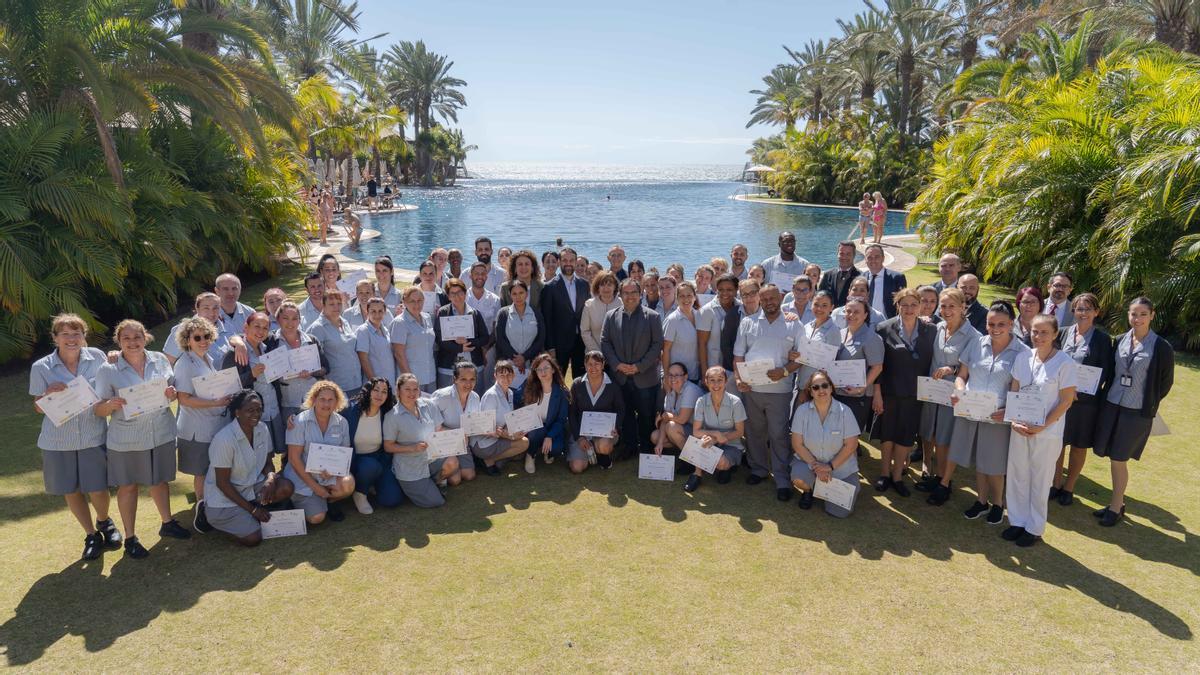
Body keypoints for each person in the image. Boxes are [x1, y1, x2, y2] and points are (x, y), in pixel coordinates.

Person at [928, 302, 1029, 528]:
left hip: (998, 416)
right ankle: (981, 501)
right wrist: (959, 391)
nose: (995, 328)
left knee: (993, 464)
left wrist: (1009, 411)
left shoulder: (1022, 352)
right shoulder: (977, 343)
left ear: (1011, 324)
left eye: (1001, 324)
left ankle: (997, 504)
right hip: (970, 410)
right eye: (991, 324)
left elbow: (1020, 388)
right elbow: (962, 375)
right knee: (979, 461)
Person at [30, 314, 121, 560]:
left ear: (84, 335)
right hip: (58, 441)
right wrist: (47, 393)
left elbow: (108, 386)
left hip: (93, 434)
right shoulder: (41, 367)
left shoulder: (98, 357)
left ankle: (105, 522)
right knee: (71, 490)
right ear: (55, 337)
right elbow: (38, 407)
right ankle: (91, 534)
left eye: (76, 333)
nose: (71, 339)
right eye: (65, 334)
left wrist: (115, 358)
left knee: (98, 488)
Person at [93, 320, 184, 558]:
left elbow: (171, 389)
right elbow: (98, 408)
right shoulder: (108, 369)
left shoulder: (160, 360)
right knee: (129, 486)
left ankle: (167, 523)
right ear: (119, 341)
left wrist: (171, 394)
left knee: (160, 480)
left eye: (137, 337)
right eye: (127, 338)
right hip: (127, 439)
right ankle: (131, 538)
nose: (133, 342)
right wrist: (109, 405)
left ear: (146, 337)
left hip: (161, 432)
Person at [1092, 297, 1174, 527]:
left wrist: (1149, 402)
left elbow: (1165, 382)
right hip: (1112, 405)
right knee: (1111, 456)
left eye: (1142, 314)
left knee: (1119, 458)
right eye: (1133, 314)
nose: (1137, 319)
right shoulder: (1118, 341)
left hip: (1136, 412)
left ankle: (1116, 507)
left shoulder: (1161, 347)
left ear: (1152, 315)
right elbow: (1110, 372)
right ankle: (1116, 502)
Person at [1003, 314, 1078, 547]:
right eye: (1035, 331)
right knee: (1017, 474)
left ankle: (1034, 527)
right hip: (1020, 428)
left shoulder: (1065, 362)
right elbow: (1014, 391)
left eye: (1045, 332)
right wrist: (1013, 420)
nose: (1039, 336)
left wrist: (1042, 425)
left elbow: (1066, 401)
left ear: (1055, 334)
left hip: (1047, 433)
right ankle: (1017, 521)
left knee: (1040, 479)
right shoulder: (1023, 357)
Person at [733, 284, 802, 500]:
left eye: (773, 298)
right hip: (752, 388)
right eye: (765, 299)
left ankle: (782, 478)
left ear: (780, 298)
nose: (769, 302)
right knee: (754, 431)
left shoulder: (794, 324)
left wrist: (783, 371)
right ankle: (759, 469)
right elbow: (738, 356)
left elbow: (800, 358)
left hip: (780, 391)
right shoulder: (748, 322)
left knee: (778, 434)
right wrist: (737, 378)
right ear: (759, 300)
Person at [203, 391, 294, 546]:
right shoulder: (224, 440)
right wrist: (253, 511)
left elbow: (267, 462)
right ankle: (216, 520)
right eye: (250, 410)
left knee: (286, 487)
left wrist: (271, 479)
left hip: (251, 488)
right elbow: (222, 484)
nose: (256, 414)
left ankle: (249, 514)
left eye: (259, 409)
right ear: (237, 412)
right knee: (254, 538)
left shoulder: (262, 429)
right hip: (224, 499)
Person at [1051, 293, 1114, 506]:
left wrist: (1081, 392)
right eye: (1079, 309)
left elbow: (1106, 372)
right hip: (1060, 399)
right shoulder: (1062, 333)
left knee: (1078, 446)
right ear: (1073, 311)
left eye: (1088, 309)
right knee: (1058, 443)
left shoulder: (1103, 339)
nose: (1083, 313)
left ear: (1096, 312)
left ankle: (1069, 488)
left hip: (1085, 404)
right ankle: (1055, 483)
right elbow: (1053, 362)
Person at [172, 316, 234, 532]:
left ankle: (213, 506)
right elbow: (184, 398)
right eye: (197, 337)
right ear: (187, 340)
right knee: (202, 471)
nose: (203, 340)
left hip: (214, 424)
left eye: (206, 336)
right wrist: (215, 402)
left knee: (213, 468)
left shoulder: (207, 358)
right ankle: (202, 508)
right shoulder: (185, 363)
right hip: (197, 429)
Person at [873, 288, 936, 495]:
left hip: (915, 395)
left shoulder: (931, 330)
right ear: (897, 306)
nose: (909, 309)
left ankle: (898, 476)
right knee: (888, 435)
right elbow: (877, 364)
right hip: (889, 393)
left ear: (920, 307)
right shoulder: (883, 328)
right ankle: (884, 474)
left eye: (913, 304)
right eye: (904, 304)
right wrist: (877, 393)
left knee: (905, 437)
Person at [917, 288, 980, 492]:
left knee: (944, 438)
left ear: (963, 307)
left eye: (951, 306)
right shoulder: (938, 328)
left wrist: (951, 369)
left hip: (952, 394)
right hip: (931, 391)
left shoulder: (973, 336)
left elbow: (971, 368)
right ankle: (928, 470)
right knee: (928, 432)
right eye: (943, 306)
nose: (946, 310)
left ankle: (943, 480)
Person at [601, 278, 664, 457]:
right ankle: (629, 447)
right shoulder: (611, 316)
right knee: (625, 413)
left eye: (634, 292)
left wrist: (639, 366)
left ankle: (645, 447)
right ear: (620, 295)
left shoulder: (652, 316)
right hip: (620, 376)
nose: (630, 296)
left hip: (645, 377)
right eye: (626, 293)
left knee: (646, 415)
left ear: (641, 294)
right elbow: (605, 342)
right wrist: (616, 364)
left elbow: (657, 344)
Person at [282, 380, 356, 524]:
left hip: (327, 475)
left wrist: (335, 471)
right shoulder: (299, 422)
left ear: (337, 402)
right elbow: (294, 459)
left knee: (348, 485)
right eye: (322, 399)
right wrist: (316, 487)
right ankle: (304, 501)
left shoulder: (342, 423)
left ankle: (330, 502)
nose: (326, 404)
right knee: (317, 518)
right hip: (302, 475)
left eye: (330, 400)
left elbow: (344, 455)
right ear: (314, 399)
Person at [790, 370, 862, 516]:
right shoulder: (801, 411)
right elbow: (797, 444)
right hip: (810, 464)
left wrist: (829, 466)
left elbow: (851, 445)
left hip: (840, 468)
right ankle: (808, 490)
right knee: (798, 478)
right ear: (810, 392)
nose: (821, 390)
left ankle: (823, 486)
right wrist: (817, 467)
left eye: (824, 385)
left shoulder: (845, 412)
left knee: (839, 513)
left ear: (831, 388)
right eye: (815, 387)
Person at [383, 374, 459, 507]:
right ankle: (421, 487)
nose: (412, 393)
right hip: (410, 468)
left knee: (453, 462)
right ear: (398, 390)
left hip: (431, 459)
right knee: (437, 502)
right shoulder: (392, 417)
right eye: (407, 389)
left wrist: (458, 436)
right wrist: (412, 448)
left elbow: (439, 430)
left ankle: (434, 482)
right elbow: (388, 446)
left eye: (415, 389)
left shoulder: (429, 405)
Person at [685, 366, 747, 492]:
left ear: (725, 381)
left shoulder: (736, 402)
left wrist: (717, 439)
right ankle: (697, 475)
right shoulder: (701, 401)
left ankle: (726, 468)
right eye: (712, 380)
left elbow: (740, 432)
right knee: (700, 442)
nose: (716, 384)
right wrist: (715, 435)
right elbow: (696, 431)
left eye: (720, 379)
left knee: (721, 463)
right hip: (709, 443)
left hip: (732, 446)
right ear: (706, 382)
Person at [344, 378, 400, 514]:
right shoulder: (350, 410)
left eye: (384, 391)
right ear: (368, 391)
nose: (379, 395)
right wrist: (295, 417)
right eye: (376, 390)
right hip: (355, 459)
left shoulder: (388, 413)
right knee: (370, 466)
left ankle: (370, 483)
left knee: (392, 499)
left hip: (379, 459)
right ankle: (360, 493)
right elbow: (322, 411)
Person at [833, 298, 885, 445]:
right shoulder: (841, 333)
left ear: (865, 315)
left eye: (857, 312)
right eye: (848, 311)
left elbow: (877, 367)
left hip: (857, 396)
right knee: (836, 435)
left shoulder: (871, 337)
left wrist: (861, 387)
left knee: (849, 438)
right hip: (837, 393)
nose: (851, 314)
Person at [567, 351, 625, 472]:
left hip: (605, 433)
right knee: (577, 468)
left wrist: (616, 428)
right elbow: (572, 413)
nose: (593, 367)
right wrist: (579, 437)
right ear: (585, 365)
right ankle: (591, 452)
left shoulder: (613, 385)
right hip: (582, 434)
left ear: (603, 365)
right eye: (590, 364)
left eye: (597, 364)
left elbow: (620, 409)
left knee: (604, 445)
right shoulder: (577, 384)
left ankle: (601, 454)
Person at [475, 360, 533, 474]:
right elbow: (486, 426)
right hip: (484, 441)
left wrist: (517, 430)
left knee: (520, 449)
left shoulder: (510, 393)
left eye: (509, 375)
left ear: (514, 375)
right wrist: (510, 436)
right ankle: (488, 460)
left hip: (498, 435)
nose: (506, 378)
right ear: (495, 376)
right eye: (502, 375)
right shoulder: (491, 395)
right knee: (524, 443)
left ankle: (494, 460)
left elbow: (507, 418)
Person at [431, 363, 484, 485]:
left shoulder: (475, 397)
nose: (468, 384)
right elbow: (429, 424)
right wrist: (455, 434)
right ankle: (434, 478)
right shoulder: (442, 396)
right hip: (442, 442)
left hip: (462, 444)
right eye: (463, 379)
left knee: (469, 475)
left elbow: (473, 423)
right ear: (455, 379)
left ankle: (454, 467)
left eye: (472, 379)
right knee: (455, 480)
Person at [518, 353, 571, 473]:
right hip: (534, 428)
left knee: (557, 448)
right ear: (535, 372)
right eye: (539, 369)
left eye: (546, 368)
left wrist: (550, 436)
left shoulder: (562, 392)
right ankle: (531, 455)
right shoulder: (529, 386)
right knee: (537, 431)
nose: (543, 371)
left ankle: (545, 450)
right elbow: (515, 398)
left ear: (553, 370)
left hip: (552, 427)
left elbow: (561, 419)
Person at [433, 278, 491, 388]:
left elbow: (485, 338)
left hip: (473, 365)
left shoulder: (474, 313)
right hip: (448, 366)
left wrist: (468, 342)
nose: (457, 296)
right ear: (448, 296)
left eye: (460, 292)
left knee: (474, 400)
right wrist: (459, 348)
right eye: (453, 293)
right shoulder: (443, 312)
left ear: (465, 293)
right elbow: (439, 339)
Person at [542, 247, 590, 378]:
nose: (568, 263)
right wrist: (550, 347)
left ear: (575, 262)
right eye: (564, 260)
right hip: (559, 343)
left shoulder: (584, 285)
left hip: (581, 341)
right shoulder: (549, 287)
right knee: (558, 380)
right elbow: (547, 319)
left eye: (571, 260)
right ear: (559, 262)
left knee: (580, 380)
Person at [792, 290, 841, 407]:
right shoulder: (807, 326)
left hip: (816, 390)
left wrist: (807, 390)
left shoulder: (833, 331)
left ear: (832, 308)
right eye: (816, 304)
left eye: (824, 305)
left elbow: (827, 366)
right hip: (799, 384)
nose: (819, 308)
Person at [308, 289, 362, 394]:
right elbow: (314, 361)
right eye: (331, 304)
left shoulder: (344, 321)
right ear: (323, 305)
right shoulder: (317, 328)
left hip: (356, 381)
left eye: (339, 303)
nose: (336, 307)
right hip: (336, 386)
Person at [163, 292, 233, 366]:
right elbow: (169, 362)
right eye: (206, 308)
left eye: (215, 308)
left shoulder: (227, 325)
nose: (212, 312)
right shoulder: (181, 330)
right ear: (197, 309)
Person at [495, 279, 545, 384]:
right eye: (514, 293)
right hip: (508, 365)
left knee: (530, 396)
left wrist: (524, 357)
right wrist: (517, 359)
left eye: (521, 293)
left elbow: (540, 339)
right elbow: (500, 339)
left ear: (526, 294)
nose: (518, 297)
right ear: (510, 295)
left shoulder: (536, 313)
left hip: (532, 364)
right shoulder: (503, 313)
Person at [652, 362, 704, 457]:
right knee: (655, 436)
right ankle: (682, 453)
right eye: (670, 375)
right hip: (683, 430)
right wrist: (659, 443)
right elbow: (665, 419)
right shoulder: (671, 393)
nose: (673, 378)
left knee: (671, 427)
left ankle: (692, 460)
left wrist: (665, 415)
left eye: (677, 375)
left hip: (701, 432)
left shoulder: (690, 390)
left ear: (685, 377)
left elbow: (682, 419)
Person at [466, 261, 503, 394]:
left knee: (487, 386)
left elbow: (495, 327)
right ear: (470, 276)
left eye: (483, 273)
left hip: (488, 348)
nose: (480, 276)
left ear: (486, 276)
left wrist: (485, 348)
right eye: (476, 274)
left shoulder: (494, 299)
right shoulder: (463, 297)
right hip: (467, 349)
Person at [696, 274, 741, 378]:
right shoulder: (707, 311)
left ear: (736, 290)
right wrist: (704, 373)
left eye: (729, 289)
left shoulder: (741, 307)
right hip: (714, 368)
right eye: (721, 289)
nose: (725, 293)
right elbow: (702, 344)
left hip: (736, 367)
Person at [662, 281, 701, 383]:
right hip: (677, 377)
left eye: (689, 295)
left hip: (696, 374)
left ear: (695, 297)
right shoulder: (672, 320)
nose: (686, 299)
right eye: (682, 296)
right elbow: (665, 350)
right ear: (677, 298)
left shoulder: (700, 316)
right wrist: (666, 378)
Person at [354, 297, 396, 385]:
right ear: (367, 312)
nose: (377, 315)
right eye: (373, 311)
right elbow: (363, 360)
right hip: (376, 386)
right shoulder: (363, 331)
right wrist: (374, 383)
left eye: (380, 311)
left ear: (385, 312)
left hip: (389, 382)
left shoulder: (385, 330)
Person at [862, 244, 907, 319]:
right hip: (864, 323)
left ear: (883, 258)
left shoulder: (897, 278)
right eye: (869, 257)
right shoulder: (860, 278)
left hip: (888, 323)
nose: (873, 260)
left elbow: (903, 303)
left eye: (877, 257)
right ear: (865, 260)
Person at [581, 271, 621, 354]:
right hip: (594, 357)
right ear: (597, 287)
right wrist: (598, 353)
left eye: (609, 285)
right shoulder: (589, 305)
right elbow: (585, 332)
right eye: (602, 285)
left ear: (615, 287)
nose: (606, 288)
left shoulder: (622, 304)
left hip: (618, 355)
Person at [817, 241, 861, 308]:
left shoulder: (860, 277)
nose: (844, 257)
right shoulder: (828, 275)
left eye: (848, 254)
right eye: (841, 253)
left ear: (854, 255)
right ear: (837, 254)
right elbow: (819, 297)